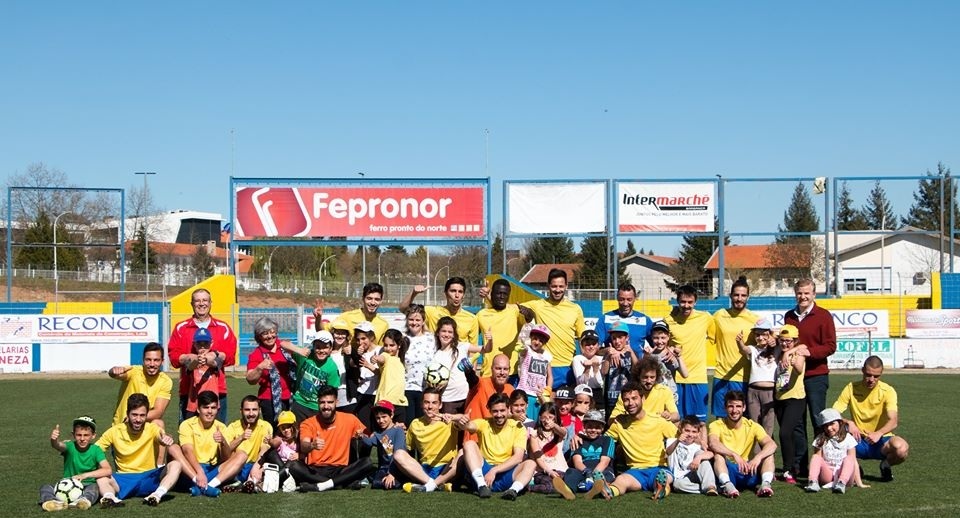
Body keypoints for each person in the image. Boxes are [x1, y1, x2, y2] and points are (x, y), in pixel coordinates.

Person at [587, 382, 677, 502]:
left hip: (658, 468)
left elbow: (680, 437)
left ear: (642, 399)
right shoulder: (619, 423)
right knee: (621, 480)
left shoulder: (658, 420)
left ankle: (661, 490)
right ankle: (609, 490)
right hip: (635, 471)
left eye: (634, 398)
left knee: (664, 479)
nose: (630, 403)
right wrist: (581, 436)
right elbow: (603, 440)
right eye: (626, 400)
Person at [784, 278, 837, 472]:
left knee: (818, 420)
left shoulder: (823, 316)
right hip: (795, 377)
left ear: (814, 294)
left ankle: (821, 463)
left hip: (816, 376)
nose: (803, 297)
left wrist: (809, 352)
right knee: (797, 422)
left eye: (807, 293)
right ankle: (800, 465)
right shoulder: (789, 316)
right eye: (799, 293)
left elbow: (831, 346)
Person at [95, 393, 183, 507]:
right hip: (124, 479)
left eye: (142, 415)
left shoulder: (152, 428)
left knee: (176, 465)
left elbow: (161, 436)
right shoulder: (114, 431)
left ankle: (156, 495)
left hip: (149, 477)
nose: (138, 419)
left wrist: (165, 439)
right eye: (134, 415)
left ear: (147, 415)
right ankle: (109, 497)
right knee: (101, 477)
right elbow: (95, 450)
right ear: (127, 413)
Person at [831, 356, 909, 482]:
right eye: (868, 375)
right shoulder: (851, 388)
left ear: (881, 374)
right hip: (857, 440)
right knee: (830, 436)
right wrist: (848, 423)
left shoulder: (888, 391)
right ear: (862, 370)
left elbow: (893, 420)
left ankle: (885, 465)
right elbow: (833, 414)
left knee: (901, 448)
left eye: (876, 376)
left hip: (881, 441)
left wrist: (879, 433)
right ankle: (855, 467)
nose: (871, 379)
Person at [168, 288, 238, 423]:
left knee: (218, 432)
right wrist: (189, 358)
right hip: (188, 392)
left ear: (211, 303)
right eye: (197, 301)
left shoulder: (222, 327)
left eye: (205, 300)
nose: (201, 304)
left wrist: (215, 355)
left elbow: (231, 357)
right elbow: (174, 358)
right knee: (187, 432)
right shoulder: (181, 328)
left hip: (217, 391)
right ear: (192, 304)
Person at [292, 385, 377, 492]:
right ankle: (340, 483)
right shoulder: (308, 423)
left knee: (367, 463)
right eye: (322, 402)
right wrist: (312, 445)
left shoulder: (350, 419)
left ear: (336, 402)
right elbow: (304, 446)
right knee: (293, 466)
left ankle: (323, 485)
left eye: (330, 402)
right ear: (318, 403)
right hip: (315, 470)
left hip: (340, 470)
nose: (326, 406)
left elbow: (369, 436)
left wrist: (363, 436)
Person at [456, 392, 538, 500]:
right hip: (484, 473)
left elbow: (518, 457)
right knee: (469, 444)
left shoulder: (518, 427)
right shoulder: (484, 423)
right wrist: (463, 423)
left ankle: (513, 490)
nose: (499, 415)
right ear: (489, 411)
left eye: (502, 410)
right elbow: (469, 426)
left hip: (505, 473)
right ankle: (481, 486)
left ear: (508, 410)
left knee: (531, 463)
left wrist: (494, 470)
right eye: (495, 411)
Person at [108, 342, 172, 466]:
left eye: (156, 360)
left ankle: (159, 467)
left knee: (158, 423)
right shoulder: (134, 372)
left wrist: (134, 418)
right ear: (143, 360)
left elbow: (158, 412)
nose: (152, 364)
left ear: (162, 361)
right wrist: (114, 370)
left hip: (144, 431)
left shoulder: (165, 381)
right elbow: (116, 374)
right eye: (148, 360)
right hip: (122, 427)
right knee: (126, 472)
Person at [521, 268, 585, 388]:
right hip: (543, 365)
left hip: (568, 367)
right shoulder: (538, 305)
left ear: (566, 286)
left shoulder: (575, 309)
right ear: (548, 286)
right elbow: (513, 308)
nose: (557, 290)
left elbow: (582, 338)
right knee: (544, 399)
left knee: (567, 400)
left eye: (561, 286)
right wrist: (488, 297)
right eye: (554, 286)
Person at [177, 390, 248, 498]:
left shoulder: (221, 427)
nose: (210, 411)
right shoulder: (187, 425)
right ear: (198, 409)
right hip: (192, 470)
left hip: (212, 469)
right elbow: (187, 451)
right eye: (206, 407)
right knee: (174, 448)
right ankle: (201, 483)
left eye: (213, 408)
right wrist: (200, 472)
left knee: (242, 455)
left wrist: (223, 442)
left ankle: (208, 486)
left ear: (217, 409)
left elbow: (226, 458)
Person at [708, 390, 777, 498]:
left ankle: (765, 485)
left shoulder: (752, 426)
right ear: (725, 408)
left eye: (738, 406)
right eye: (731, 406)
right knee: (718, 455)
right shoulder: (716, 425)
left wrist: (758, 457)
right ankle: (727, 485)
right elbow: (713, 443)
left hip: (749, 469)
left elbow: (772, 444)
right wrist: (734, 455)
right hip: (729, 470)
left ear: (744, 408)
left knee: (768, 454)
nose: (734, 410)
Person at [39, 416, 113, 512]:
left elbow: (108, 470)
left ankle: (83, 501)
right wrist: (54, 440)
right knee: (45, 487)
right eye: (79, 435)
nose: (82, 438)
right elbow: (58, 445)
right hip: (67, 485)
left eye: (86, 435)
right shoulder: (70, 447)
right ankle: (52, 502)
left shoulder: (96, 450)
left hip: (87, 484)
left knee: (94, 488)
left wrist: (84, 475)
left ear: (93, 435)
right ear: (73, 435)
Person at [665, 284, 715, 423]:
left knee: (700, 423)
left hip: (698, 378)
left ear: (695, 302)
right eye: (683, 302)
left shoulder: (705, 318)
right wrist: (670, 349)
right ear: (677, 301)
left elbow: (715, 338)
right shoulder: (668, 320)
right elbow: (662, 344)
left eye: (690, 302)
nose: (686, 306)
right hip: (675, 379)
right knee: (676, 421)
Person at [396, 387, 463, 493]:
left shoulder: (449, 421)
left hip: (447, 470)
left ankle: (430, 485)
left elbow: (465, 420)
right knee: (398, 454)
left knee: (463, 452)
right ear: (421, 404)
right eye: (426, 402)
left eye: (434, 403)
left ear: (440, 405)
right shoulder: (415, 423)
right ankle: (435, 484)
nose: (430, 407)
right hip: (425, 471)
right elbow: (408, 449)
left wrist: (454, 417)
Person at [712, 278, 759, 418]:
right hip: (721, 375)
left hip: (743, 377)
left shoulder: (755, 319)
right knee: (721, 420)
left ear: (748, 297)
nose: (739, 298)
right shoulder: (719, 316)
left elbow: (767, 341)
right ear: (730, 296)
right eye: (736, 295)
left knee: (741, 419)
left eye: (743, 295)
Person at [774, 324, 810, 485]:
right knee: (788, 434)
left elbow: (800, 367)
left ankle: (788, 468)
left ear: (795, 341)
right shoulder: (777, 351)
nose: (784, 343)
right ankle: (792, 467)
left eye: (788, 341)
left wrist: (790, 355)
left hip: (795, 399)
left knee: (785, 433)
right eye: (782, 340)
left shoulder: (798, 352)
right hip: (779, 398)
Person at [476, 278, 534, 376]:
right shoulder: (481, 315)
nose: (502, 297)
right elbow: (472, 338)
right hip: (488, 373)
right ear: (491, 293)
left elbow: (530, 316)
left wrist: (528, 312)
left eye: (505, 294)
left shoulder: (515, 310)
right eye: (498, 293)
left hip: (510, 372)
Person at [280, 330, 341, 423]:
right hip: (299, 403)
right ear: (313, 346)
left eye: (325, 347)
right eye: (318, 347)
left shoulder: (332, 367)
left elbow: (332, 391)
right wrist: (298, 350)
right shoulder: (305, 355)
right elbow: (282, 344)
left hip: (317, 407)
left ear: (331, 349)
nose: (321, 351)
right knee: (297, 430)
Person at [553, 409, 615, 500]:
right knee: (571, 472)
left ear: (602, 428)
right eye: (589, 427)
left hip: (601, 471)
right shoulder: (579, 440)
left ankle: (598, 488)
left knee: (606, 475)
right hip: (583, 471)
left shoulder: (608, 440)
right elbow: (577, 461)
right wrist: (587, 472)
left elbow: (604, 462)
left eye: (597, 427)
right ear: (584, 426)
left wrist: (594, 474)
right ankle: (569, 491)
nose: (593, 430)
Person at [245, 317, 294, 427]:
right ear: (259, 336)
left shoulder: (285, 346)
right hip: (269, 400)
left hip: (291, 397)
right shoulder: (256, 354)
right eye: (265, 333)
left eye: (272, 332)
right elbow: (250, 379)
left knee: (291, 429)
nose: (270, 336)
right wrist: (259, 368)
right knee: (274, 429)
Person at [401, 276, 480, 344]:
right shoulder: (432, 312)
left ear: (463, 295)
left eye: (460, 292)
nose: (457, 295)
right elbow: (404, 309)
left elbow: (473, 351)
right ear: (445, 293)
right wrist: (414, 293)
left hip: (459, 357)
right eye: (453, 291)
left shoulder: (472, 319)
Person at [804, 408, 864, 494]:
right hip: (827, 475)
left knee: (849, 458)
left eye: (832, 424)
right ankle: (812, 482)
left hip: (845, 475)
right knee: (815, 457)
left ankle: (841, 483)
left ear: (840, 423)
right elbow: (817, 461)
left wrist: (859, 483)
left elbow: (853, 461)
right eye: (825, 425)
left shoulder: (848, 438)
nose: (829, 428)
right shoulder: (820, 439)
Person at [222, 395, 274, 493]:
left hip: (254, 465)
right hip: (236, 466)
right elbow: (225, 452)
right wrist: (241, 438)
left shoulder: (265, 426)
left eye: (254, 410)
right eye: (247, 410)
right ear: (241, 411)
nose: (251, 414)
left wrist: (256, 467)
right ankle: (249, 483)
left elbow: (264, 448)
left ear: (259, 411)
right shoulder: (233, 427)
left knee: (268, 464)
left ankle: (244, 483)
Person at [737, 317, 778, 437]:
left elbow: (786, 338)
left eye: (764, 334)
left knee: (768, 424)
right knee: (754, 424)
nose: (761, 338)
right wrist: (739, 342)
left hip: (770, 390)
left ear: (770, 334)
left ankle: (768, 447)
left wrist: (774, 338)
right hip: (753, 390)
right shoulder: (753, 349)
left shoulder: (777, 348)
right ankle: (755, 448)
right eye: (758, 335)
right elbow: (744, 349)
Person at [432, 316, 482, 413]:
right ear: (438, 333)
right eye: (443, 331)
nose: (446, 334)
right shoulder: (435, 354)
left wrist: (490, 340)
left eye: (450, 332)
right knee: (450, 423)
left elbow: (485, 349)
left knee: (466, 422)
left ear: (454, 334)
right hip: (447, 400)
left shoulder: (462, 346)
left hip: (465, 397)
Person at [595, 283, 654, 359]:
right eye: (622, 299)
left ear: (635, 299)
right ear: (617, 298)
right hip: (612, 366)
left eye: (629, 299)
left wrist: (667, 350)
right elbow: (595, 349)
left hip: (637, 366)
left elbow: (658, 344)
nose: (625, 303)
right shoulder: (605, 319)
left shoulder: (645, 320)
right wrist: (608, 350)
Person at [316, 283, 389, 343]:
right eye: (369, 298)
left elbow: (382, 350)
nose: (373, 302)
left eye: (377, 299)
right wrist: (318, 318)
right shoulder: (347, 317)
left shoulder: (383, 324)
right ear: (363, 298)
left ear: (381, 301)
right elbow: (322, 331)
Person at [666, 415, 718, 495]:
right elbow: (668, 452)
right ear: (680, 429)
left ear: (698, 433)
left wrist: (698, 458)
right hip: (681, 478)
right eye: (687, 430)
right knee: (677, 485)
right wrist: (677, 441)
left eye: (694, 432)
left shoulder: (698, 445)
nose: (690, 434)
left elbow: (711, 453)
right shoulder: (672, 441)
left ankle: (710, 487)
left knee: (702, 457)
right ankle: (705, 488)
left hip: (694, 473)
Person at [362, 401, 408, 490]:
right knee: (376, 483)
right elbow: (369, 442)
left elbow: (398, 452)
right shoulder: (378, 433)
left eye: (384, 417)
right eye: (378, 418)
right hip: (384, 468)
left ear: (391, 415)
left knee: (390, 484)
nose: (381, 421)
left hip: (398, 466)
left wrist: (392, 474)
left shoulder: (398, 430)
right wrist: (361, 436)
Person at [403, 304, 436, 425]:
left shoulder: (432, 339)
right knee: (410, 424)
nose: (414, 323)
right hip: (407, 388)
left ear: (423, 321)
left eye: (417, 320)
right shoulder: (402, 338)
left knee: (424, 424)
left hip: (426, 390)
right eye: (411, 319)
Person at [642, 320, 688, 404]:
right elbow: (642, 375)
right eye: (656, 338)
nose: (660, 341)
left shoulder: (672, 354)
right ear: (651, 337)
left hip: (671, 396)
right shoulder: (649, 354)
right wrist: (646, 357)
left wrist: (679, 357)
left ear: (668, 337)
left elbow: (685, 374)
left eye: (663, 338)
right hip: (654, 397)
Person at [527, 402, 568, 494]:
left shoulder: (560, 431)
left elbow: (563, 433)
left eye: (550, 417)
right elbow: (537, 456)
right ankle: (529, 487)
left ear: (556, 417)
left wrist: (554, 426)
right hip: (543, 472)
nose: (547, 421)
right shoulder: (534, 434)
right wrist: (549, 471)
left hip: (560, 470)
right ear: (540, 418)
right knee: (550, 487)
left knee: (568, 482)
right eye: (544, 418)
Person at [516, 324, 555, 420]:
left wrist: (548, 390)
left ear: (545, 342)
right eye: (535, 339)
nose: (537, 342)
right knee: (525, 420)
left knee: (539, 421)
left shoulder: (547, 355)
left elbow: (550, 376)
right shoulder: (527, 350)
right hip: (526, 392)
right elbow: (523, 350)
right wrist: (521, 348)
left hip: (540, 395)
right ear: (530, 337)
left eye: (541, 341)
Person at [372, 329, 409, 425]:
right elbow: (381, 359)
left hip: (400, 402)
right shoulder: (386, 356)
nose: (388, 348)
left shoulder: (401, 361)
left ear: (399, 345)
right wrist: (376, 358)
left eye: (392, 345)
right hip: (386, 402)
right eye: (385, 345)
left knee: (400, 431)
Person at [601, 321, 637, 420]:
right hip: (611, 398)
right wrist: (608, 356)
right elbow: (603, 372)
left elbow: (637, 370)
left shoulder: (632, 353)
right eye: (614, 338)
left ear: (627, 338)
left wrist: (631, 352)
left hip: (627, 399)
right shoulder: (608, 354)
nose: (617, 341)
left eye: (620, 337)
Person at [183, 328, 221, 419]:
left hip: (211, 405)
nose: (202, 347)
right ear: (194, 344)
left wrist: (206, 360)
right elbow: (189, 367)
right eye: (199, 344)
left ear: (211, 343)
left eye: (206, 343)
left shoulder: (216, 358)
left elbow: (215, 364)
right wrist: (198, 360)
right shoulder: (191, 359)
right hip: (193, 405)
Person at [464, 353, 515, 420]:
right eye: (498, 368)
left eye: (505, 369)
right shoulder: (481, 384)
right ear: (492, 369)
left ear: (509, 370)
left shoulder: (511, 390)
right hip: (474, 426)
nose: (502, 372)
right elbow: (472, 378)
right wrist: (468, 370)